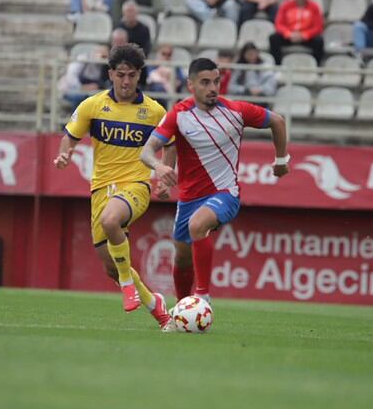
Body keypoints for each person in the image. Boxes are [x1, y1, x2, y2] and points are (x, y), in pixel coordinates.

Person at [140, 57, 289, 303]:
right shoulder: (178, 115)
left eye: (216, 81)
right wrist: (161, 170)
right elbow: (148, 150)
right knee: (182, 256)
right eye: (205, 82)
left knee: (198, 226)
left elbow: (278, 121)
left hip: (225, 193)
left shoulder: (236, 111)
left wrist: (282, 160)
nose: (213, 88)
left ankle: (203, 298)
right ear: (191, 84)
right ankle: (181, 308)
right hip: (189, 198)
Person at [53, 44, 175, 331]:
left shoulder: (154, 111)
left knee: (111, 221)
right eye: (120, 75)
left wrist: (165, 176)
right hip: (101, 190)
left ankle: (126, 285)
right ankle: (156, 305)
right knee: (111, 265)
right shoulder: (92, 105)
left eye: (131, 75)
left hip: (135, 185)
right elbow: (69, 137)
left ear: (139, 75)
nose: (126, 81)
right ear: (110, 74)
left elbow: (170, 144)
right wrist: (64, 154)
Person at [269, 0, 324, 65]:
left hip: (306, 36)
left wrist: (304, 35)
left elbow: (318, 27)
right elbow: (279, 24)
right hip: (289, 35)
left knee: (319, 41)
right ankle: (277, 65)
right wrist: (288, 34)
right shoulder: (286, 6)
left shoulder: (314, 7)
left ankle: (317, 67)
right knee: (273, 38)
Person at [59, 44, 109, 109]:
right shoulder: (83, 59)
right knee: (79, 98)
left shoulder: (105, 65)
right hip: (71, 89)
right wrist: (83, 87)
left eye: (105, 55)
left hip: (93, 93)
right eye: (101, 53)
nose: (102, 56)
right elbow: (70, 77)